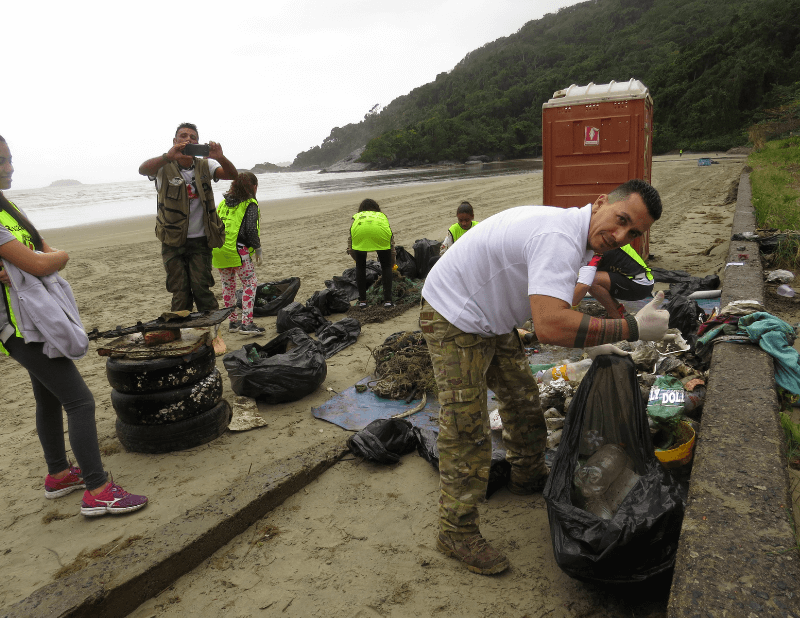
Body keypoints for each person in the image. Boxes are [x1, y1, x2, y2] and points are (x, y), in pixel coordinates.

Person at [419, 179, 670, 575]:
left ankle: (528, 474)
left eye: (634, 233)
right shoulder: (560, 236)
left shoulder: (580, 237)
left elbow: (559, 302)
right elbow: (551, 326)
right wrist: (632, 329)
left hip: (492, 317)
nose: (621, 236)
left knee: (521, 398)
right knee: (465, 426)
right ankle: (455, 531)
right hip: (454, 313)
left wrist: (593, 342)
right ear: (601, 202)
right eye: (621, 220)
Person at [0, 135, 148, 517]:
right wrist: (57, 258)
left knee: (47, 397)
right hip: (20, 329)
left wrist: (42, 259)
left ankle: (60, 474)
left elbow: (38, 248)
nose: (10, 167)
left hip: (33, 321)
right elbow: (41, 262)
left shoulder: (6, 207)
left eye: (10, 159)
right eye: (2, 161)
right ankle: (98, 490)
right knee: (80, 401)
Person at [138, 122, 238, 312]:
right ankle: (181, 336)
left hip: (201, 240)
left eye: (193, 138)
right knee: (180, 292)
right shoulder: (162, 166)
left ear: (198, 144)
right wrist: (168, 156)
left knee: (202, 290)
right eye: (183, 136)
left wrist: (221, 157)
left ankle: (212, 334)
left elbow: (232, 175)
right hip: (172, 240)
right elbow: (143, 170)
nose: (188, 140)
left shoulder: (206, 165)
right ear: (175, 141)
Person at [212, 172, 264, 336]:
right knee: (250, 282)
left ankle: (233, 321)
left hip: (219, 250)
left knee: (228, 286)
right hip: (237, 250)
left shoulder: (222, 204)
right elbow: (250, 229)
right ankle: (247, 324)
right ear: (253, 187)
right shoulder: (250, 204)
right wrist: (258, 248)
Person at [571, 245, 654, 318]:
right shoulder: (604, 241)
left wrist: (567, 309)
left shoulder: (599, 250)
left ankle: (615, 315)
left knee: (592, 280)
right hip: (640, 280)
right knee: (590, 278)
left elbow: (584, 284)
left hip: (640, 285)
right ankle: (619, 310)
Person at [346, 198, 396, 308]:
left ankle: (363, 301)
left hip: (360, 233)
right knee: (386, 267)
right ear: (377, 209)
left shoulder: (357, 218)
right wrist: (392, 262)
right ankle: (388, 301)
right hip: (380, 233)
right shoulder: (381, 217)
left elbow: (350, 246)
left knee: (360, 267)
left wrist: (357, 260)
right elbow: (391, 242)